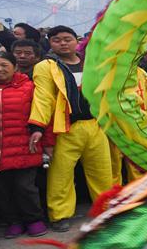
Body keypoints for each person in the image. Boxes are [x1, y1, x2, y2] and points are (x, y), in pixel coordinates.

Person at [28, 26, 113, 232]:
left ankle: (108, 211)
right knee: (61, 174)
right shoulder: (45, 66)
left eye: (67, 39)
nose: (63, 43)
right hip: (65, 128)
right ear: (49, 43)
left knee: (102, 173)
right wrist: (37, 126)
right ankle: (59, 215)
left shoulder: (92, 63)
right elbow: (43, 97)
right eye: (57, 40)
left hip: (95, 125)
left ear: (76, 41)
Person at [0, 52, 50, 239]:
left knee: (26, 187)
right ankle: (13, 221)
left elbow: (42, 111)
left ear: (15, 67)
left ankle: (34, 219)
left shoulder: (28, 87)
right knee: (1, 190)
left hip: (24, 146)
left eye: (4, 65)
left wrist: (39, 131)